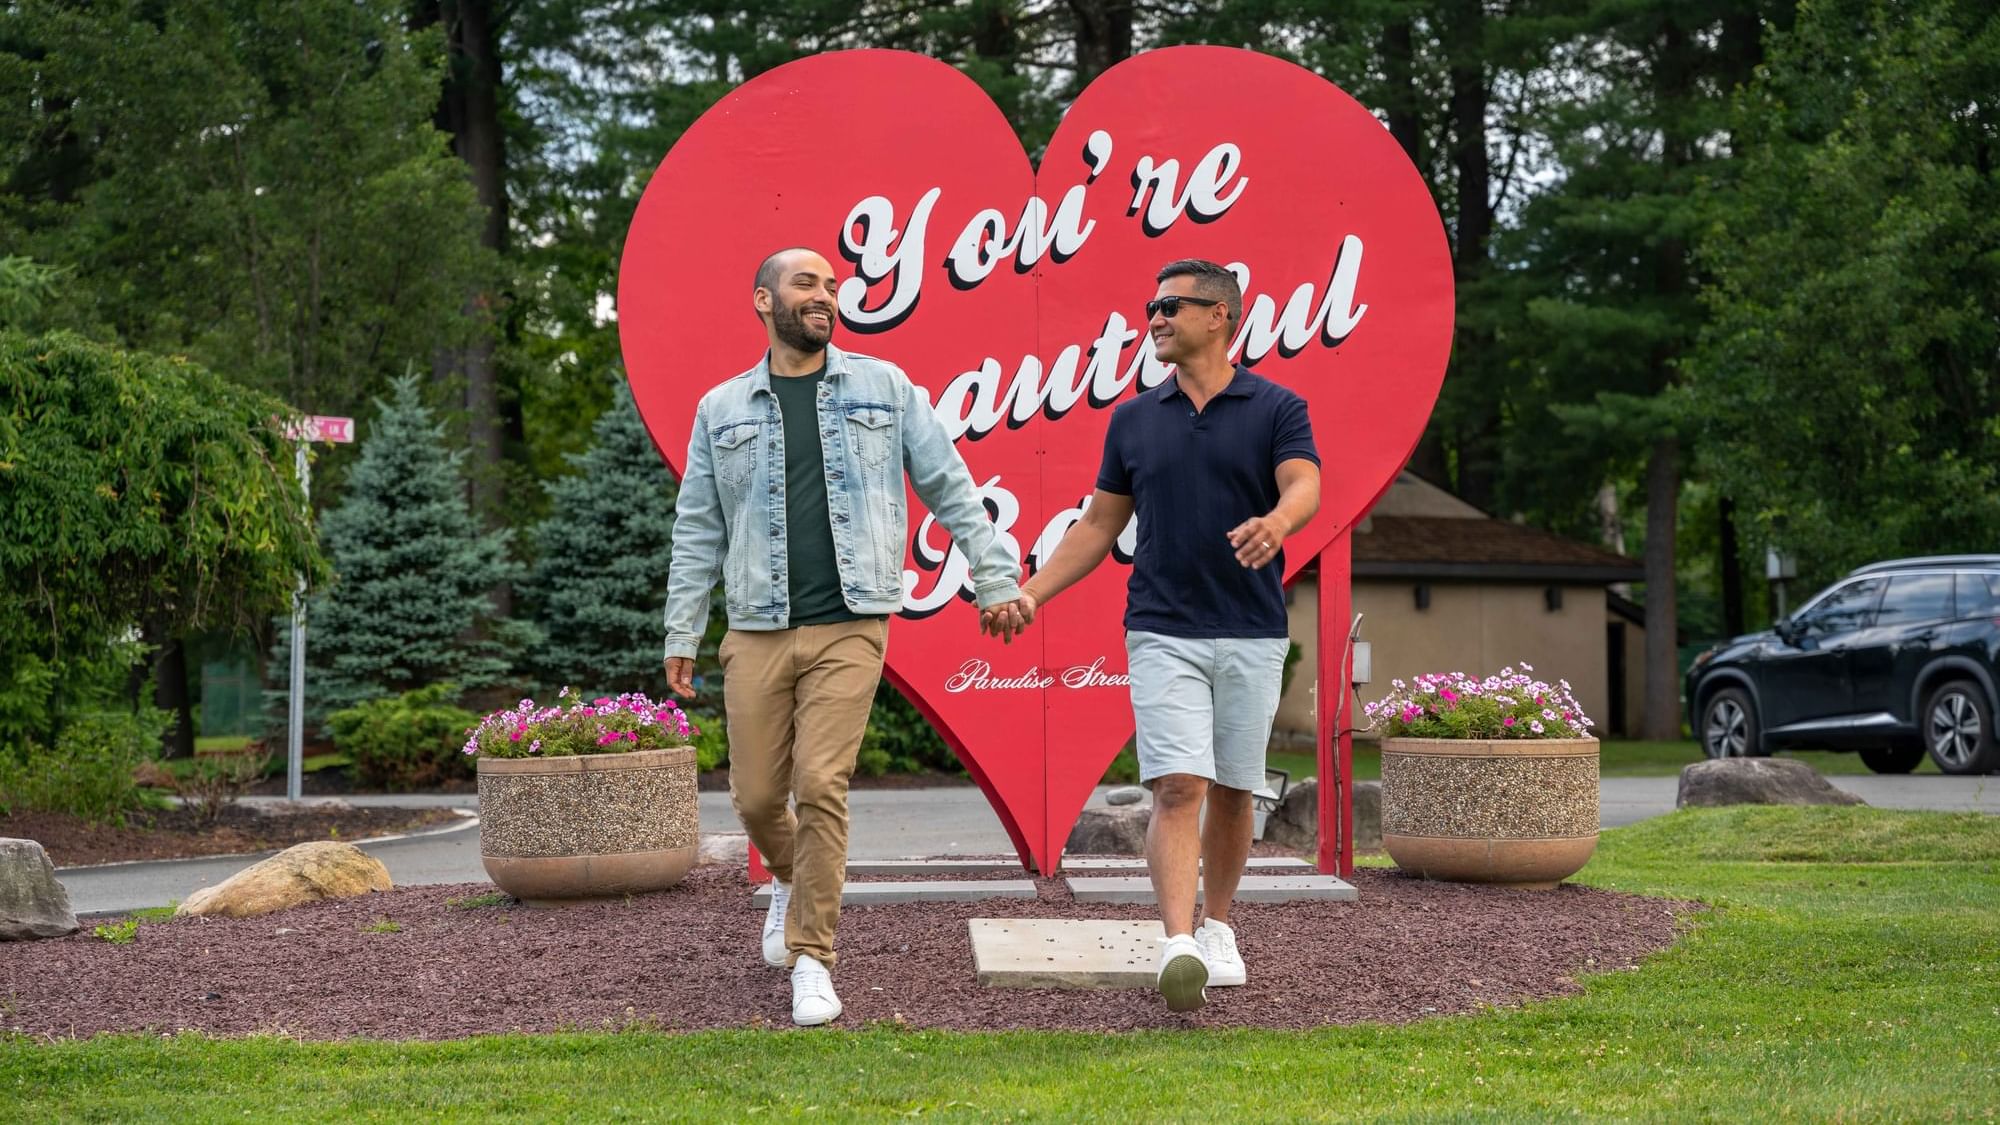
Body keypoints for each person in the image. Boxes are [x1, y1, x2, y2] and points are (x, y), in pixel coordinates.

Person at [663, 247, 1026, 1026]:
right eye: (807, 284)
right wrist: (682, 626)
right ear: (764, 301)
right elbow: (698, 526)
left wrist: (992, 576)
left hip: (851, 622)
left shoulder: (884, 388)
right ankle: (792, 881)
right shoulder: (720, 408)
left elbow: (950, 486)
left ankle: (813, 958)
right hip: (756, 627)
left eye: (831, 285)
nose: (826, 295)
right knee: (759, 797)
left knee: (820, 785)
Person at [981, 258, 1320, 1012]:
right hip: (1161, 627)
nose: (1156, 319)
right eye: (1150, 305)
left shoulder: (1276, 406)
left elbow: (1304, 482)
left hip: (1251, 628)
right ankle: (1178, 943)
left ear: (1220, 315)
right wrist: (1031, 592)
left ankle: (1220, 923)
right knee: (1178, 785)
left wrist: (1280, 520)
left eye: (1171, 305)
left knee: (1234, 790)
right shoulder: (1133, 418)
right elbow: (1101, 523)